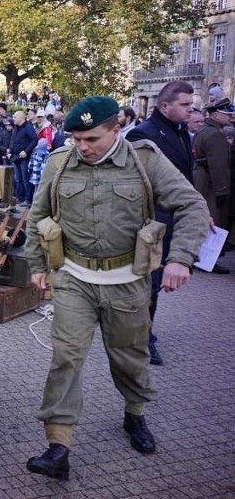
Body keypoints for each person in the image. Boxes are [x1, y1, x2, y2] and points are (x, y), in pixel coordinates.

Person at [25, 96, 209, 481]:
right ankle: (59, 445)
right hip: (74, 279)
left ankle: (135, 415)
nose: (83, 147)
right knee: (65, 358)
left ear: (115, 128)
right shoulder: (60, 163)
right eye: (76, 139)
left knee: (129, 357)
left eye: (91, 138)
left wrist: (180, 258)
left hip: (127, 282)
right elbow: (37, 215)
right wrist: (38, 266)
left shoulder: (145, 160)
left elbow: (192, 205)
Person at [126, 80, 197, 364]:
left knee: (153, 286)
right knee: (148, 284)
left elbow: (183, 181)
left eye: (191, 105)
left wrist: (196, 210)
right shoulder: (142, 136)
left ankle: (143, 334)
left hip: (171, 221)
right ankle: (142, 340)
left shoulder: (181, 132)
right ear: (165, 106)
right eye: (185, 105)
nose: (191, 111)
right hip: (150, 224)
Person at [192, 96, 232, 271]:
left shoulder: (204, 130)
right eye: (226, 113)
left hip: (202, 178)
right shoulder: (216, 134)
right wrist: (222, 190)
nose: (230, 116)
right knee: (213, 220)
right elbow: (219, 165)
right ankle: (207, 261)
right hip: (210, 181)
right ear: (216, 115)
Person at [9, 110, 38, 205]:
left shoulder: (28, 127)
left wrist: (26, 151)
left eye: (15, 117)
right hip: (16, 157)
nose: (13, 119)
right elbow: (14, 140)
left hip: (25, 157)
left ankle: (28, 200)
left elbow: (34, 140)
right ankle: (19, 197)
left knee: (26, 179)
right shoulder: (16, 128)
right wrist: (10, 150)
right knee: (18, 179)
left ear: (21, 118)